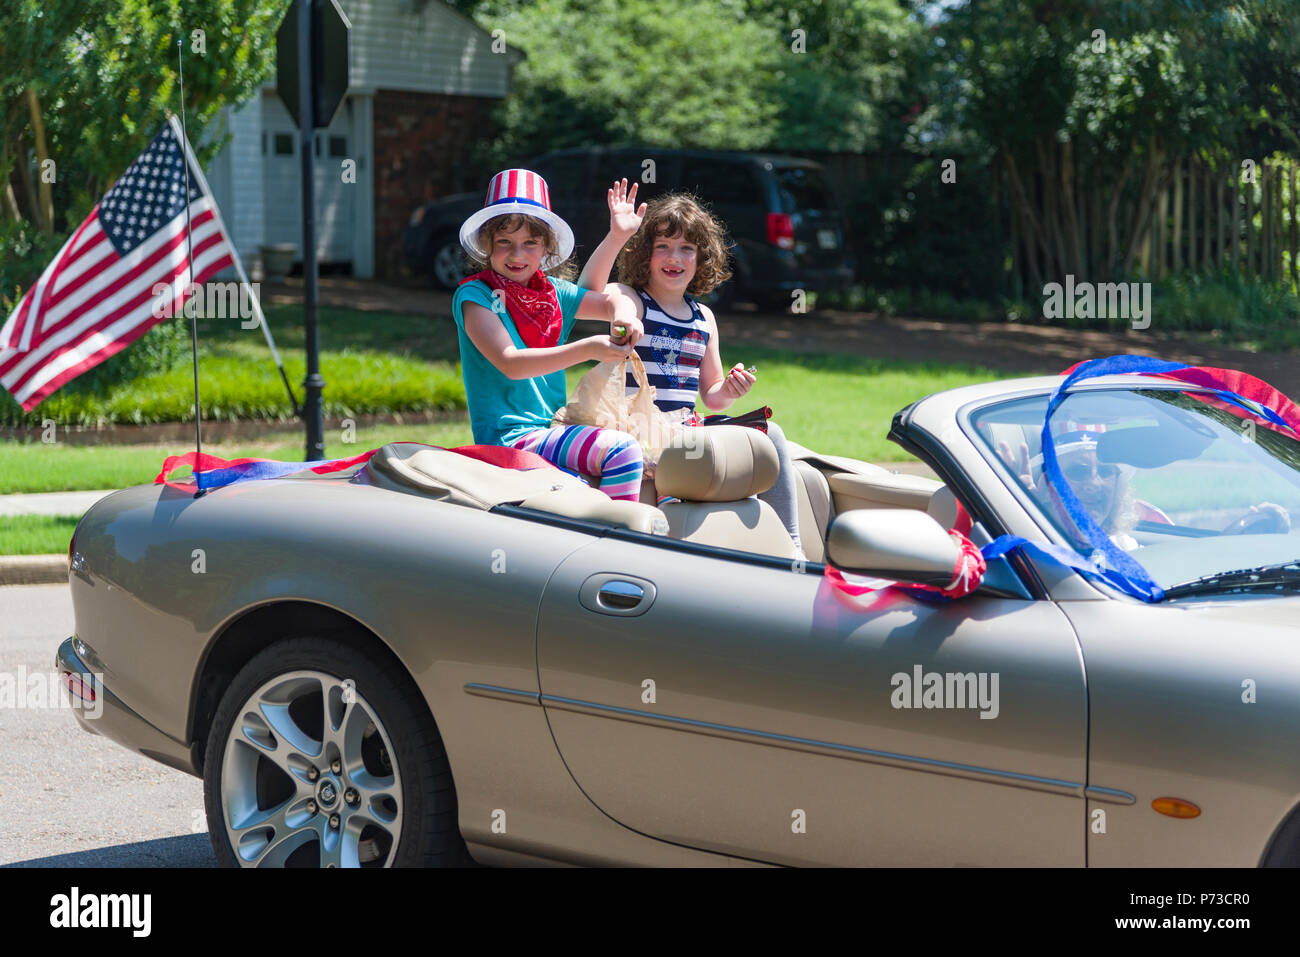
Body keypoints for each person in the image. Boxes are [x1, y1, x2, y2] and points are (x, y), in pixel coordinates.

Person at [576, 182, 805, 556]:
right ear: (645, 255)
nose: (674, 257)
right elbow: (586, 295)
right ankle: (666, 547)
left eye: (687, 248)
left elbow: (711, 394)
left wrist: (729, 390)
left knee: (772, 433)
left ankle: (792, 546)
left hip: (687, 429)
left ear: (701, 258)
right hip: (640, 430)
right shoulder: (631, 299)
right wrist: (617, 235)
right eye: (662, 247)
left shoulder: (704, 318)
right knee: (684, 465)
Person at [451, 169, 648, 501]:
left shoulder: (552, 294)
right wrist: (588, 348)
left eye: (530, 242)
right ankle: (618, 545)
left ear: (546, 246)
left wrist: (625, 318)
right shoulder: (476, 296)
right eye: (505, 243)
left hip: (553, 431)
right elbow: (511, 363)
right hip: (509, 439)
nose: (517, 254)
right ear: (487, 244)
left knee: (625, 457)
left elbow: (609, 299)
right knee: (623, 452)